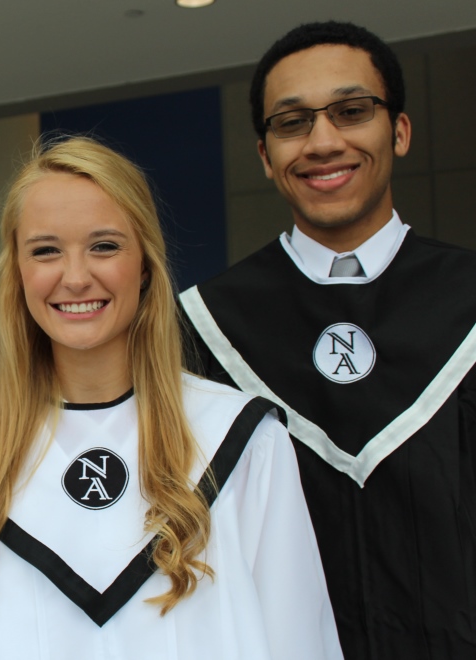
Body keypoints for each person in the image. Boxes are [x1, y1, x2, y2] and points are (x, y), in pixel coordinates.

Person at [0, 136, 341, 659]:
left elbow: (298, 639)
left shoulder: (241, 440)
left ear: (144, 266)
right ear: (18, 273)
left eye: (104, 246)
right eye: (46, 250)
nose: (75, 277)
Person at [180, 21, 476, 659]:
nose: (322, 142)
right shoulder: (203, 328)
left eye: (352, 112)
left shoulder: (468, 300)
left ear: (398, 131)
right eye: (291, 123)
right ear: (264, 155)